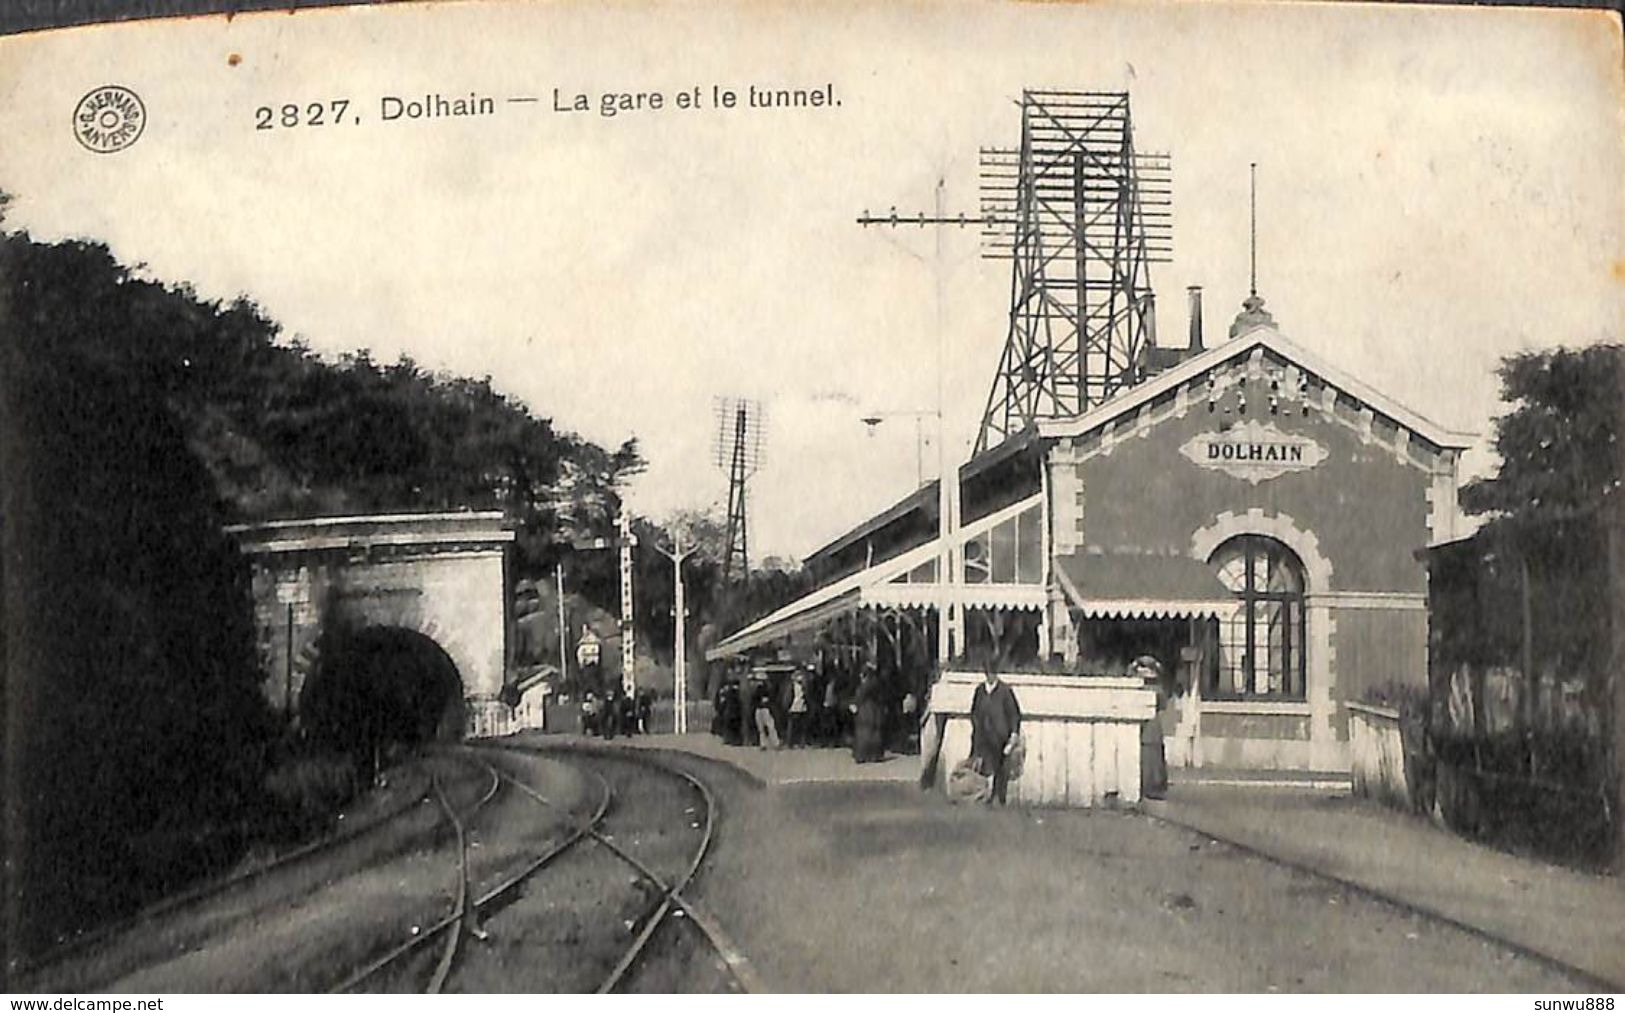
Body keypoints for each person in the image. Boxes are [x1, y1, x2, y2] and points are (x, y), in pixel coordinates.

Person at [969, 657, 1022, 805]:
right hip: (983, 735)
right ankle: (986, 796)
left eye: (992, 672)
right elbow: (974, 713)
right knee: (983, 767)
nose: (990, 675)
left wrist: (1013, 734)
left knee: (1000, 768)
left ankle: (999, 797)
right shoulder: (980, 691)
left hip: (1000, 737)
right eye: (988, 672)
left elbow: (1014, 714)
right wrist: (976, 730)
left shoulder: (1005, 691)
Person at [1132, 655, 1169, 799]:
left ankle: (1150, 785)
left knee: (1150, 755)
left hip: (1150, 726)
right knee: (1151, 755)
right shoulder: (1156, 690)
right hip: (1151, 725)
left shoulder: (1148, 690)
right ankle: (1153, 786)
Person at [852, 664, 886, 763]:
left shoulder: (866, 685)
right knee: (873, 732)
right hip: (874, 710)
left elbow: (860, 695)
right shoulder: (876, 683)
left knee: (864, 732)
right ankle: (874, 755)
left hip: (866, 710)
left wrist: (854, 703)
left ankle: (862, 755)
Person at [751, 674, 781, 750]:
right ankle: (764, 744)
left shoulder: (766, 689)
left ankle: (775, 743)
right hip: (759, 709)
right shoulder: (757, 689)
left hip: (764, 709)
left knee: (769, 726)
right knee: (762, 728)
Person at [784, 667, 811, 748]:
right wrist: (787, 706)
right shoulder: (791, 686)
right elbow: (787, 697)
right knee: (791, 726)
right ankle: (789, 742)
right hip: (793, 707)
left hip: (802, 707)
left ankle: (801, 742)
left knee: (802, 726)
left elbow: (806, 696)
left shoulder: (804, 686)